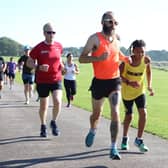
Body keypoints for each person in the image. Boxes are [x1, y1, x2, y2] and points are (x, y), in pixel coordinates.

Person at [79, 11, 131, 160]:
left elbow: (117, 53)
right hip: (99, 82)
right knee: (96, 114)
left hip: (114, 81)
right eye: (110, 22)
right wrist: (98, 58)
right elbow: (82, 58)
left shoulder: (117, 38)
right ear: (102, 22)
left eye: (116, 23)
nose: (113, 25)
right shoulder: (94, 38)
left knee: (115, 112)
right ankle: (93, 129)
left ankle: (113, 147)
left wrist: (125, 58)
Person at [27, 22, 64, 138]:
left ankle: (53, 122)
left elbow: (59, 60)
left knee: (58, 101)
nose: (52, 34)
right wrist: (38, 67)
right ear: (44, 33)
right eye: (49, 32)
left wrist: (62, 67)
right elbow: (29, 62)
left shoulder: (59, 46)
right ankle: (43, 125)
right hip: (42, 80)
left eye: (53, 32)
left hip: (56, 79)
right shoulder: (38, 48)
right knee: (44, 106)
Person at [120, 39, 154, 152]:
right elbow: (118, 76)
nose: (140, 54)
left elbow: (149, 72)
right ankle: (125, 138)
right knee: (129, 116)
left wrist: (149, 86)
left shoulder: (146, 60)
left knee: (143, 113)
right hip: (127, 93)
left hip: (140, 91)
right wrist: (129, 82)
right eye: (138, 52)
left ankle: (139, 139)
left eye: (142, 52)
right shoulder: (126, 61)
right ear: (133, 50)